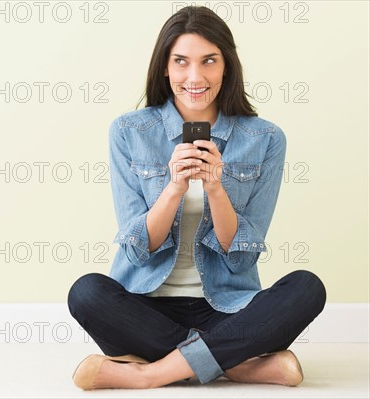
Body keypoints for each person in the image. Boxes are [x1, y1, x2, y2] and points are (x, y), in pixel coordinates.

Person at [67, 5, 326, 390]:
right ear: (165, 68)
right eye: (181, 61)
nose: (195, 76)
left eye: (209, 61)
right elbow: (137, 250)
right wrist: (173, 188)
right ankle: (238, 365)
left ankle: (152, 371)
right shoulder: (129, 131)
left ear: (227, 67)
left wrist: (216, 189)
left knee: (307, 287)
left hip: (229, 309)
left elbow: (241, 257)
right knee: (87, 292)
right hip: (145, 308)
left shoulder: (266, 138)